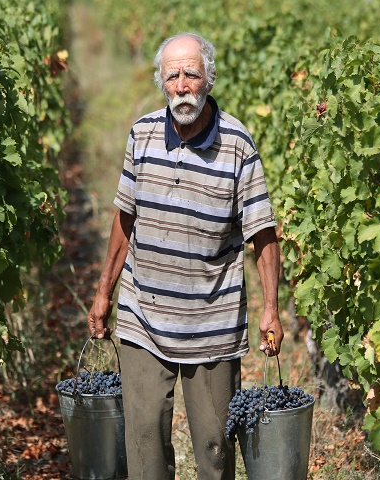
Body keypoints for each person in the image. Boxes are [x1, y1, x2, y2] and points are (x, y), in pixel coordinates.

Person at [87, 32, 284, 480]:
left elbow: (262, 232)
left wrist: (271, 308)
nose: (181, 85)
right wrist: (104, 294)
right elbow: (124, 221)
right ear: (161, 81)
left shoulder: (237, 144)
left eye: (191, 74)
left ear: (208, 80)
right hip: (144, 316)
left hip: (212, 324)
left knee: (216, 453)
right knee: (145, 452)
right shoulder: (141, 136)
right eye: (172, 75)